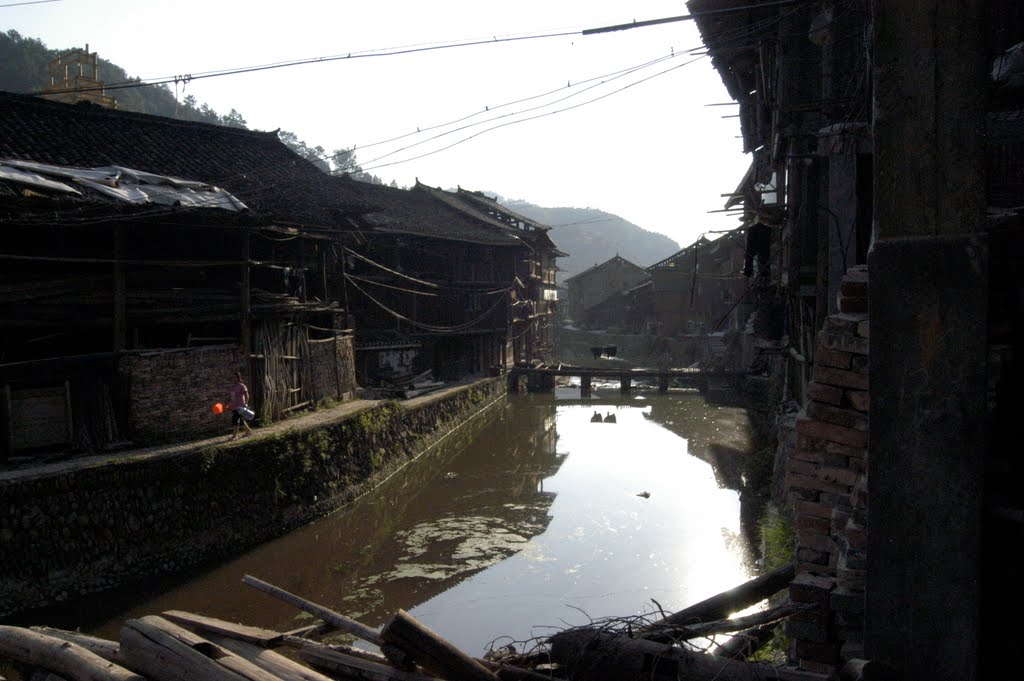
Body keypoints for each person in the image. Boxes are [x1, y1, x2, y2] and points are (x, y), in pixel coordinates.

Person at [226, 372, 253, 440]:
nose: (233, 379)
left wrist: (246, 403)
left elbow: (247, 395)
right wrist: (228, 405)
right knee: (240, 420)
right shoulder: (232, 387)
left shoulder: (241, 386)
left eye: (235, 377)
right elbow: (231, 398)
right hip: (234, 406)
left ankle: (234, 436)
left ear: (238, 378)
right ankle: (248, 431)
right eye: (232, 377)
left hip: (240, 406)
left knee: (235, 420)